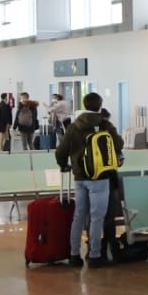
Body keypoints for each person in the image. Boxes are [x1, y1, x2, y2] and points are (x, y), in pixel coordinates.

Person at [56, 93, 122, 268]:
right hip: (100, 177)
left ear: (84, 104)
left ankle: (74, 255)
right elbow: (119, 144)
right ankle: (94, 255)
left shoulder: (74, 126)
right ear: (100, 106)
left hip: (79, 177)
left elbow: (61, 151)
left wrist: (64, 165)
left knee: (79, 216)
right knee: (97, 217)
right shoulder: (105, 124)